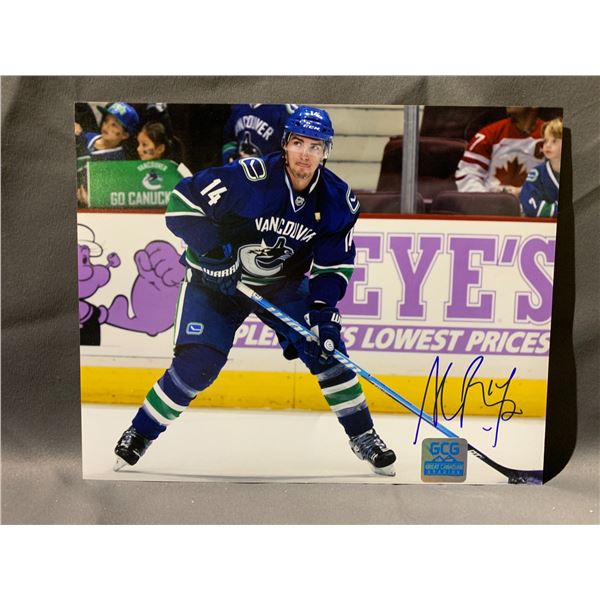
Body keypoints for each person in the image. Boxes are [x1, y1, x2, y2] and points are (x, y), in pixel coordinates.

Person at [113, 105, 397, 476]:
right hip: (214, 283)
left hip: (281, 285)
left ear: (326, 151)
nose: (305, 154)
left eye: (315, 146)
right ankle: (140, 432)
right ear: (285, 143)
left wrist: (323, 311)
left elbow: (333, 264)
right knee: (198, 365)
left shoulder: (336, 200)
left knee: (327, 351)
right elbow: (182, 204)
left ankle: (364, 436)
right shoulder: (248, 178)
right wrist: (215, 255)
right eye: (298, 143)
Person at [455, 107, 545, 197]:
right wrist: (487, 201)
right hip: (491, 201)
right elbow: (467, 175)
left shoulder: (550, 137)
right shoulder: (488, 135)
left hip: (535, 203)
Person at [222, 103, 298, 163]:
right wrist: (230, 158)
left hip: (270, 174)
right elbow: (229, 139)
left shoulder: (284, 110)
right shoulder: (239, 107)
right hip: (241, 171)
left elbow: (294, 152)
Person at [519, 118, 562, 217]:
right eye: (545, 141)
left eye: (554, 141)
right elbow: (528, 205)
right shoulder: (537, 173)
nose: (547, 145)